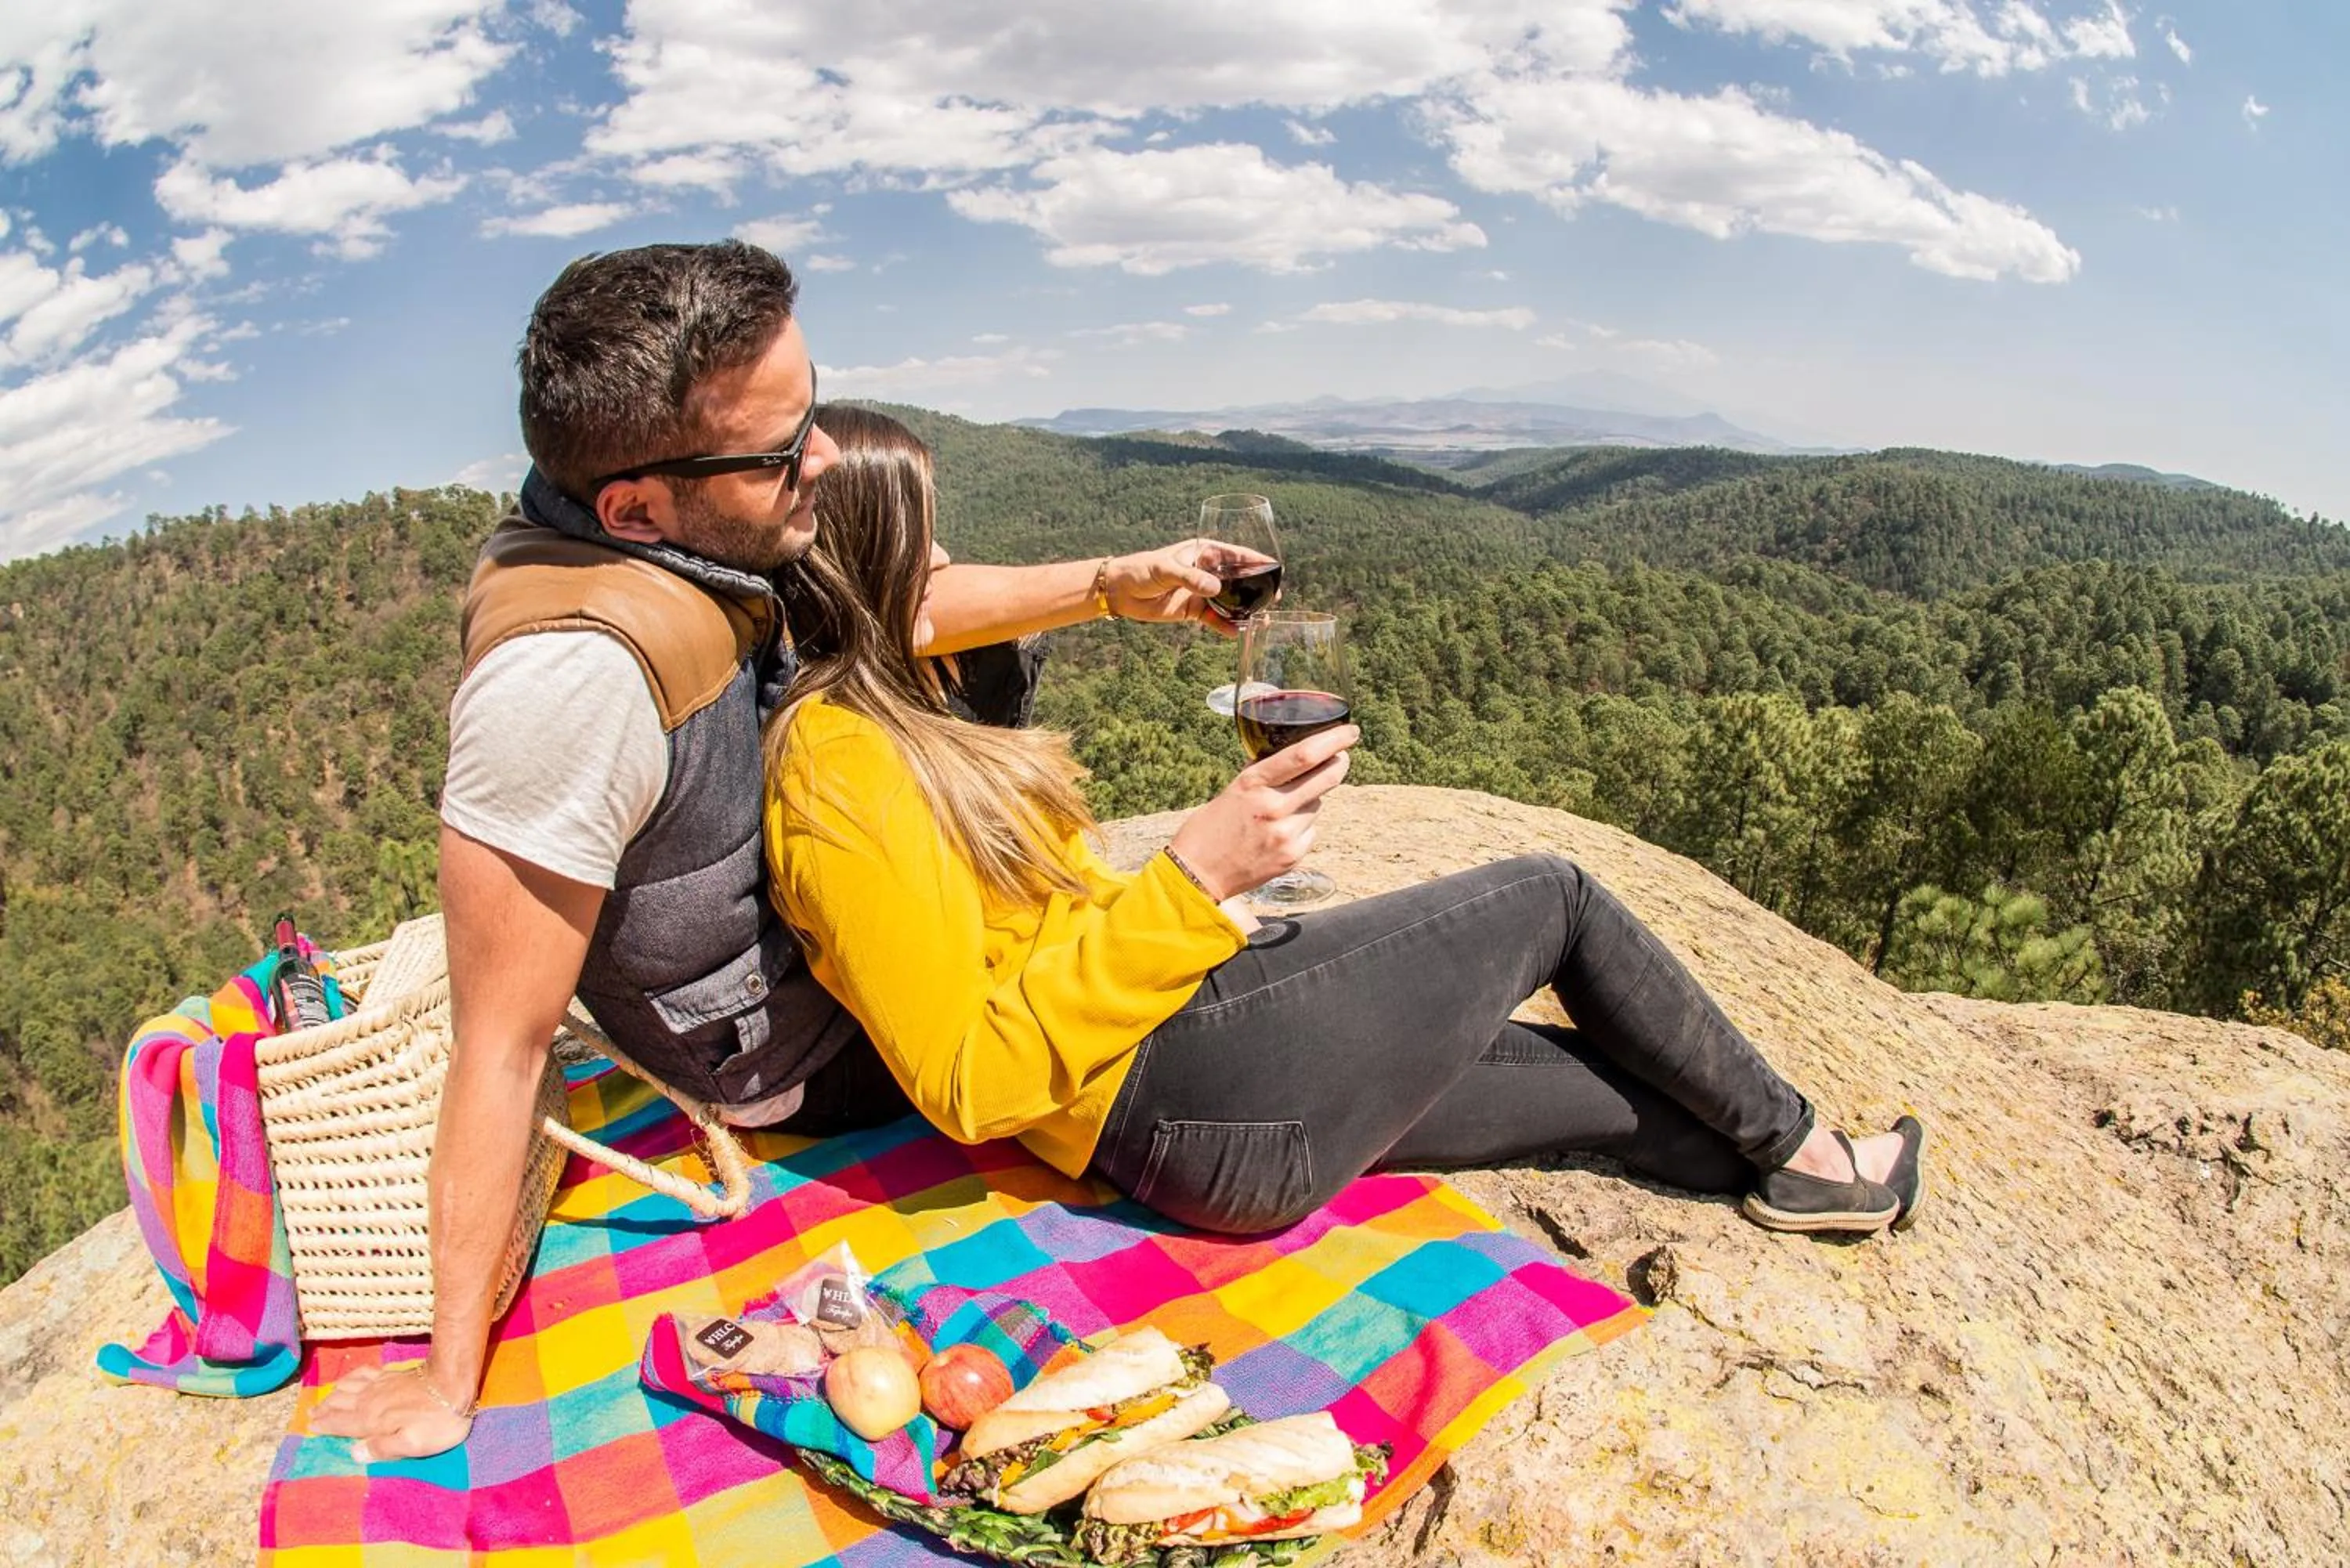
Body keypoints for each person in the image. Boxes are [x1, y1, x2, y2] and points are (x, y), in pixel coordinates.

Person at [314, 242, 1246, 1463]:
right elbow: (503, 1040)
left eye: (806, 418)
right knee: (1192, 1002)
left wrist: (1116, 584)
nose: (820, 459)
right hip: (795, 1051)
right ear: (635, 505)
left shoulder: (698, 530)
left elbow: (890, 606)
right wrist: (446, 1380)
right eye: (779, 451)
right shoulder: (570, 684)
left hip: (818, 953)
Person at [765, 410, 1929, 1251]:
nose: (959, 565)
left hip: (1215, 1116)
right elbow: (968, 1079)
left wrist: (1198, 904)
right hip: (1175, 1077)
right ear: (865, 561)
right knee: (1550, 894)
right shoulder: (836, 763)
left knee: (1604, 1090)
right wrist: (1189, 881)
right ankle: (1813, 1148)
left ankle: (1792, 1172)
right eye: (930, 540)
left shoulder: (895, 713)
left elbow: (1036, 934)